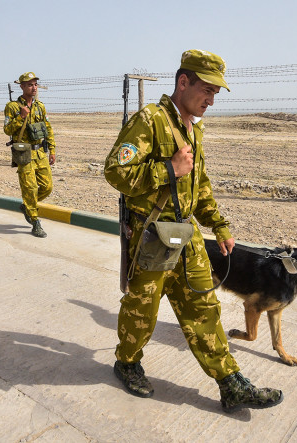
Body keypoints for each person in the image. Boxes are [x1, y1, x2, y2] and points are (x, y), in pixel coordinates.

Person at [103, 50, 283, 412]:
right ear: (183, 82)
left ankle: (231, 382)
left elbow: (199, 186)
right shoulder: (150, 120)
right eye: (207, 89)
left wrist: (219, 224)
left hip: (187, 237)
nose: (211, 99)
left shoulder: (193, 129)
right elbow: (114, 172)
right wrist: (167, 168)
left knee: (204, 307)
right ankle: (126, 362)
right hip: (151, 236)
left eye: (217, 93)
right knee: (142, 310)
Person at [3, 72, 56, 238]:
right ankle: (35, 221)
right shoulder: (12, 107)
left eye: (35, 84)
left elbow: (47, 128)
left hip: (40, 152)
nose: (34, 88)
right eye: (30, 85)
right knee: (30, 188)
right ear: (22, 87)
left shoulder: (40, 106)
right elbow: (7, 130)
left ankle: (27, 205)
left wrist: (52, 149)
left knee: (47, 187)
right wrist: (21, 117)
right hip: (24, 153)